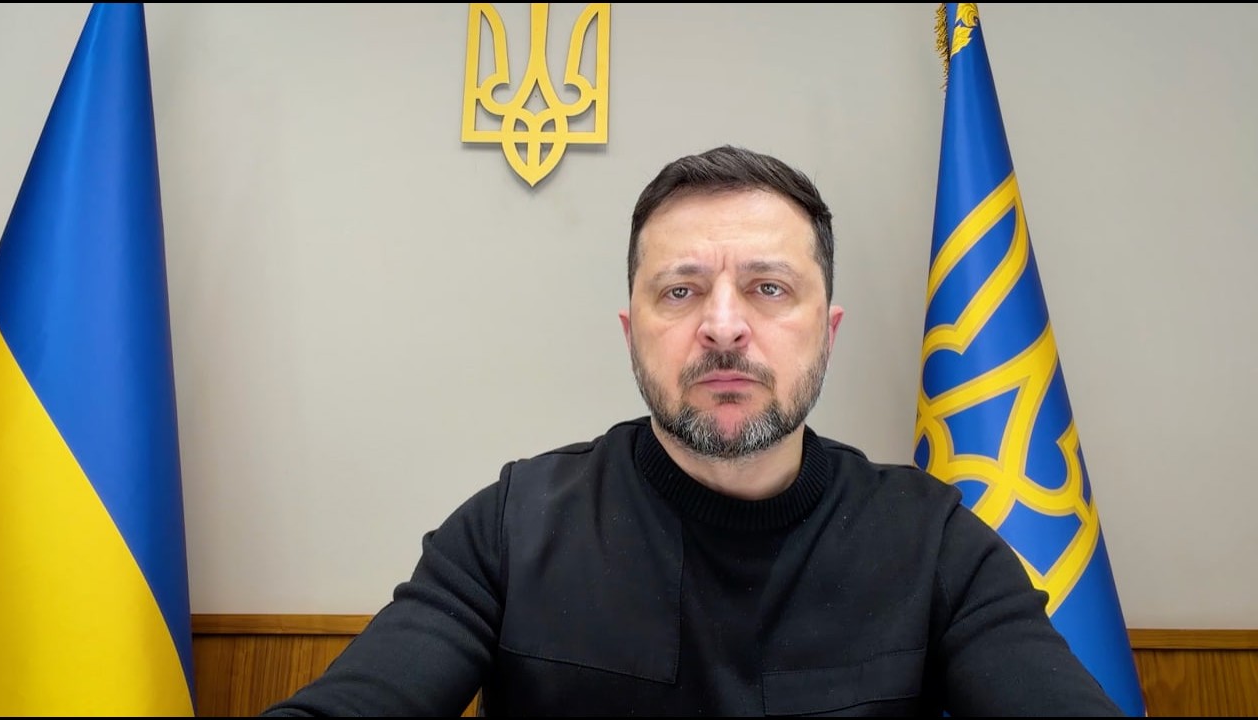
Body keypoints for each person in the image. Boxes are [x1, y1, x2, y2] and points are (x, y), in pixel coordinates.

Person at [260, 145, 1127, 717]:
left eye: (768, 288)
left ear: (828, 332)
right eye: (680, 291)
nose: (722, 326)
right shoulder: (513, 526)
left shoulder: (934, 542)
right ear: (631, 333)